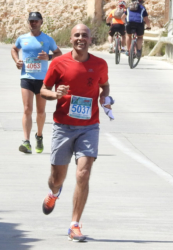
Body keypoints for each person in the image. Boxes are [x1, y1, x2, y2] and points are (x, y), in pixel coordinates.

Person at [40, 24, 111, 242]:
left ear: (91, 39)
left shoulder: (100, 64)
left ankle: (75, 224)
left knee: (83, 173)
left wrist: (104, 98)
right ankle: (54, 193)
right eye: (77, 35)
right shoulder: (59, 63)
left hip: (89, 126)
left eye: (85, 35)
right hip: (63, 126)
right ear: (71, 39)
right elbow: (43, 90)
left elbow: (105, 85)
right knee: (56, 178)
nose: (81, 38)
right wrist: (55, 94)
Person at [11, 12, 62, 154]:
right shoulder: (22, 38)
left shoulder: (47, 39)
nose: (33, 23)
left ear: (41, 22)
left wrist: (49, 56)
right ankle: (26, 142)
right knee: (27, 109)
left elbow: (59, 53)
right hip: (26, 78)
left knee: (40, 111)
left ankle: (39, 136)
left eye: (35, 21)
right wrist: (17, 61)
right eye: (31, 21)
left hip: (42, 81)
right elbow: (14, 49)